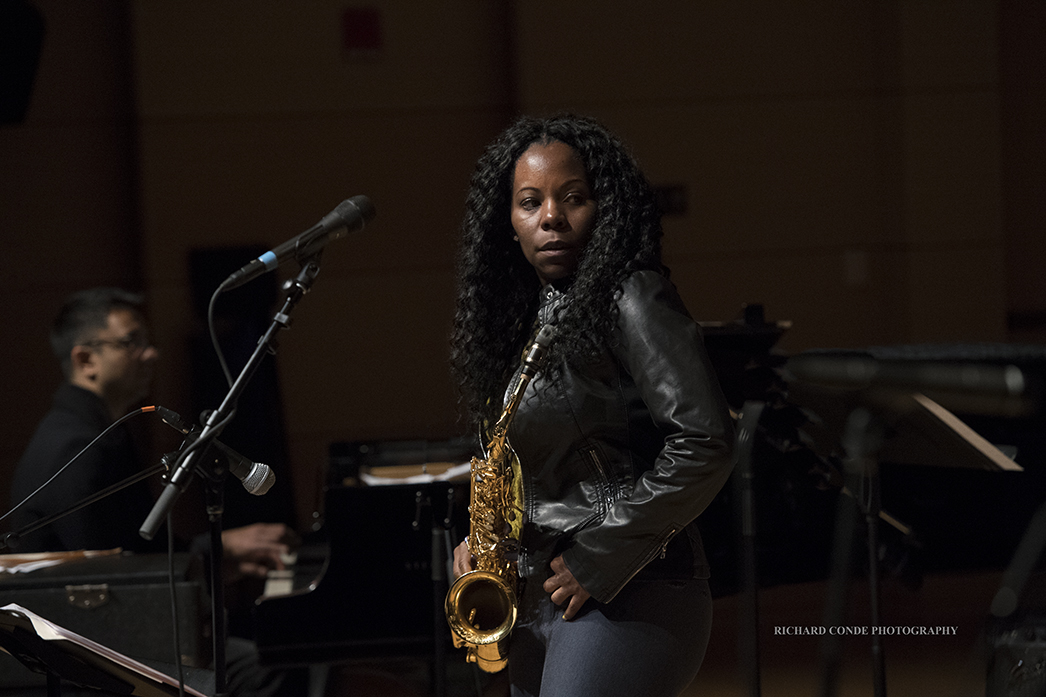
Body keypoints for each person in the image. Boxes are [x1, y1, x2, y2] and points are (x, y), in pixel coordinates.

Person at [449, 114, 736, 697]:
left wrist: (601, 555)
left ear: (605, 208)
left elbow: (706, 440)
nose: (551, 217)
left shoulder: (631, 293)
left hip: (632, 586)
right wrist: (482, 546)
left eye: (573, 198)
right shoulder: (522, 320)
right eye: (529, 203)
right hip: (541, 593)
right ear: (508, 223)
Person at [8, 287, 297, 578]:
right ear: (86, 361)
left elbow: (131, 551)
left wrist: (214, 563)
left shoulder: (89, 431)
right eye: (131, 342)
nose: (151, 354)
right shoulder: (77, 445)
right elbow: (111, 572)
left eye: (147, 341)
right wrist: (219, 547)